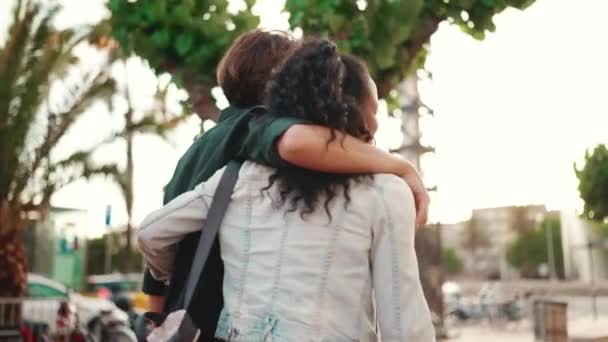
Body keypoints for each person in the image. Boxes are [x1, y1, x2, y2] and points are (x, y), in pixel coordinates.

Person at [139, 39, 435, 341]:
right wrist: (402, 167)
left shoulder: (236, 175)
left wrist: (174, 274)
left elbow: (151, 233)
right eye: (375, 109)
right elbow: (402, 321)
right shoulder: (255, 130)